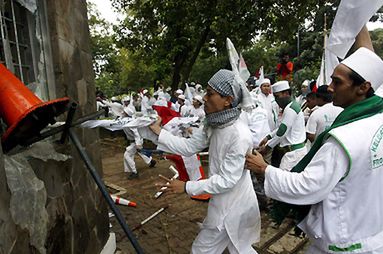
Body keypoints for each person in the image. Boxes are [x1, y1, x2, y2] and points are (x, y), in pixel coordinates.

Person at [246, 27, 383, 253]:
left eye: (337, 82)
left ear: (363, 87)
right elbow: (370, 57)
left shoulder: (343, 140)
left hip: (343, 243)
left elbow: (307, 187)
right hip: (371, 234)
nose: (329, 88)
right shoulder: (377, 115)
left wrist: (264, 169)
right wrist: (357, 20)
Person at [150, 69, 260, 253]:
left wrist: (186, 187)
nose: (204, 98)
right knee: (240, 249)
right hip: (225, 203)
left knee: (202, 250)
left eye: (210, 93)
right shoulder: (214, 123)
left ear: (228, 100)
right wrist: (157, 132)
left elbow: (227, 181)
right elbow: (187, 147)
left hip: (231, 207)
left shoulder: (239, 135)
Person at [258, 80, 307, 171]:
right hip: (294, 152)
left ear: (286, 93)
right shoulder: (290, 107)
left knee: (281, 182)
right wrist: (268, 137)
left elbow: (282, 131)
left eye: (277, 96)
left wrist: (268, 148)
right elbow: (282, 127)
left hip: (294, 153)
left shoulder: (291, 109)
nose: (277, 100)